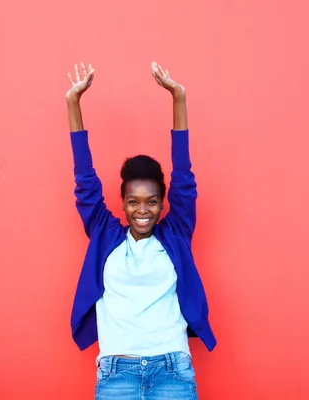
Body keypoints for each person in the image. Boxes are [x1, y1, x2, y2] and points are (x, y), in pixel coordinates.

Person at [66, 61, 216, 400]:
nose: (142, 211)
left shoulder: (175, 234)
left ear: (163, 203)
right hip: (117, 372)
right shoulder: (105, 235)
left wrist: (179, 98)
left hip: (172, 371)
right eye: (133, 202)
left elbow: (183, 177)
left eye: (151, 201)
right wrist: (72, 104)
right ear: (122, 203)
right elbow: (85, 182)